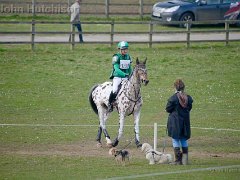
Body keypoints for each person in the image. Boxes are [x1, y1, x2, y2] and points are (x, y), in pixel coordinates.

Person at [165, 79, 193, 165]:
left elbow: (168, 109)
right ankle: (185, 160)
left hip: (175, 122)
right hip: (185, 122)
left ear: (175, 87)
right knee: (184, 139)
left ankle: (178, 160)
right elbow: (189, 108)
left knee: (175, 140)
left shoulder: (173, 98)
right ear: (183, 87)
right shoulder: (188, 98)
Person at [108, 41, 132, 112]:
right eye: (124, 49)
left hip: (126, 77)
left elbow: (129, 68)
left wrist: (131, 74)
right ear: (120, 49)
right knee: (115, 90)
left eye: (126, 49)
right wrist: (124, 74)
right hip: (118, 77)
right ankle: (110, 104)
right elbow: (116, 69)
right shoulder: (116, 57)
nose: (125, 50)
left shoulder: (128, 56)